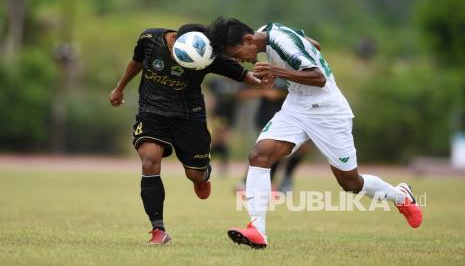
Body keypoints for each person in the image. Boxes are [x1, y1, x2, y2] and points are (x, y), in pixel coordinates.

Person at [208, 18, 423, 249]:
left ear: (249, 40)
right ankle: (257, 231)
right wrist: (287, 68)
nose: (238, 59)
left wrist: (277, 70)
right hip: (297, 107)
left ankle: (400, 196)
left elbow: (318, 78)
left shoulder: (281, 42)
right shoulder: (265, 33)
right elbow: (314, 45)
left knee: (351, 183)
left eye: (236, 53)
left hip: (328, 110)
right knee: (260, 155)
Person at [108, 23, 269, 246]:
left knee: (194, 174)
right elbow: (136, 62)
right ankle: (158, 230)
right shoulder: (150, 39)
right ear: (174, 40)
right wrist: (120, 87)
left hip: (189, 116)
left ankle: (202, 175)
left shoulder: (207, 54)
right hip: (152, 112)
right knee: (149, 160)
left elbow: (241, 74)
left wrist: (261, 83)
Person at [235, 78, 310, 192]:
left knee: (276, 153)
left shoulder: (288, 76)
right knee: (261, 152)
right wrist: (261, 89)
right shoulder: (264, 74)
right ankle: (246, 183)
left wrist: (262, 90)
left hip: (285, 121)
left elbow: (275, 94)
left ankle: (268, 183)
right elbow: (243, 93)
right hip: (264, 119)